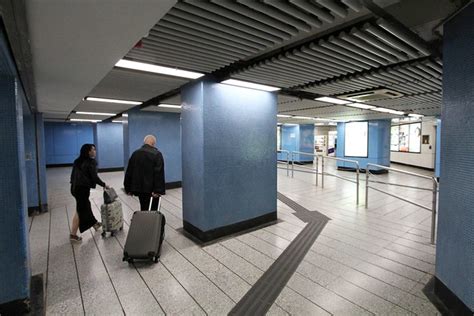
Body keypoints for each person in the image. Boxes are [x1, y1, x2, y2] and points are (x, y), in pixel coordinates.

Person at [69, 144, 108, 242]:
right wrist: (104, 184)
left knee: (86, 205)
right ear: (88, 151)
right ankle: (73, 235)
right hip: (82, 189)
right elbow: (94, 177)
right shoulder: (91, 162)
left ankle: (94, 223)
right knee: (80, 210)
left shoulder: (77, 161)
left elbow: (73, 175)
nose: (95, 151)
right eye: (93, 150)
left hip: (74, 187)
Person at [124, 135, 165, 211]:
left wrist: (128, 188)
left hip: (138, 189)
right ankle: (150, 222)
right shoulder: (157, 154)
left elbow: (129, 172)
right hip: (151, 190)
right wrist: (158, 190)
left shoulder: (135, 154)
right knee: (153, 210)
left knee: (143, 207)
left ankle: (143, 221)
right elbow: (158, 174)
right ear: (153, 143)